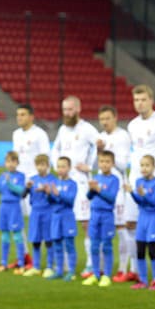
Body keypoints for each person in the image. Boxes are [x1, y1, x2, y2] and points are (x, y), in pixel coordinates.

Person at [125, 85, 155, 281]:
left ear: (151, 100)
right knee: (131, 225)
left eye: (143, 99)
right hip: (135, 181)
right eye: (136, 100)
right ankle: (136, 270)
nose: (140, 103)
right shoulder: (132, 125)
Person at [50, 96, 98, 277]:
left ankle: (91, 264)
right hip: (64, 184)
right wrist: (58, 165)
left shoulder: (87, 129)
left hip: (81, 183)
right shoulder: (62, 130)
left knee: (86, 223)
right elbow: (55, 149)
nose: (67, 113)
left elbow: (100, 147)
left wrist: (91, 166)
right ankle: (62, 266)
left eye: (70, 109)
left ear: (78, 109)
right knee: (61, 222)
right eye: (64, 110)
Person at [96, 105, 137, 282]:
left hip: (119, 187)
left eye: (107, 118)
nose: (105, 122)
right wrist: (99, 152)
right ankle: (103, 269)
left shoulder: (123, 136)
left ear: (115, 118)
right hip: (102, 186)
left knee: (122, 229)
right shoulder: (101, 137)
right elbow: (96, 163)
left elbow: (123, 164)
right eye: (102, 119)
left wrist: (107, 153)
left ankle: (124, 268)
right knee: (102, 230)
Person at [12, 103, 50, 269]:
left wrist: (40, 180)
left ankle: (38, 258)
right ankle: (24, 256)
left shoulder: (39, 134)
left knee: (36, 222)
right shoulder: (16, 134)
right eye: (18, 114)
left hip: (35, 185)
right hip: (19, 184)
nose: (19, 117)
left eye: (23, 114)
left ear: (31, 117)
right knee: (18, 222)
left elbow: (45, 157)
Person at [125, 155, 155, 290]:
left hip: (153, 218)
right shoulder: (139, 182)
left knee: (152, 250)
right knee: (140, 249)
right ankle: (142, 280)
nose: (144, 168)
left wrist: (144, 195)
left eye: (147, 165)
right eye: (142, 165)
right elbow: (140, 202)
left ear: (154, 167)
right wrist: (132, 193)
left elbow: (154, 202)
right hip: (142, 218)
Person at [82, 150, 119, 287]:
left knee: (107, 245)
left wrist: (98, 190)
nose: (104, 164)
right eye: (102, 162)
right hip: (95, 214)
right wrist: (91, 189)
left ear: (112, 164)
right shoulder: (97, 178)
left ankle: (107, 275)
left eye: (107, 162)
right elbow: (89, 197)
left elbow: (111, 198)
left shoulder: (114, 180)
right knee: (94, 245)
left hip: (107, 215)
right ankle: (96, 274)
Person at [0, 151, 26, 274]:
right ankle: (4, 263)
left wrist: (10, 183)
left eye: (13, 161)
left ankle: (21, 264)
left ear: (17, 163)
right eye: (8, 161)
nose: (10, 164)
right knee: (4, 235)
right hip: (3, 207)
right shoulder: (3, 175)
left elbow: (20, 190)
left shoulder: (20, 176)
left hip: (14, 207)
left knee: (17, 235)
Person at [22, 154, 56, 278]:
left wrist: (48, 192)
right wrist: (26, 188)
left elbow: (56, 198)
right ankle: (36, 266)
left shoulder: (53, 180)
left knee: (48, 240)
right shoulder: (32, 180)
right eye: (38, 165)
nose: (41, 167)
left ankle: (49, 267)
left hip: (48, 212)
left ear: (48, 166)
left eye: (43, 165)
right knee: (35, 240)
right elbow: (22, 195)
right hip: (35, 212)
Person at [46, 156, 78, 281]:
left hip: (67, 216)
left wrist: (58, 193)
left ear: (69, 168)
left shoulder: (72, 184)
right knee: (57, 244)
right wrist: (49, 194)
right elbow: (52, 202)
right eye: (58, 166)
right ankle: (59, 270)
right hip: (56, 217)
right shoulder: (55, 183)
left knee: (69, 244)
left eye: (63, 166)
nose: (60, 169)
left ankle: (71, 271)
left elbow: (70, 201)